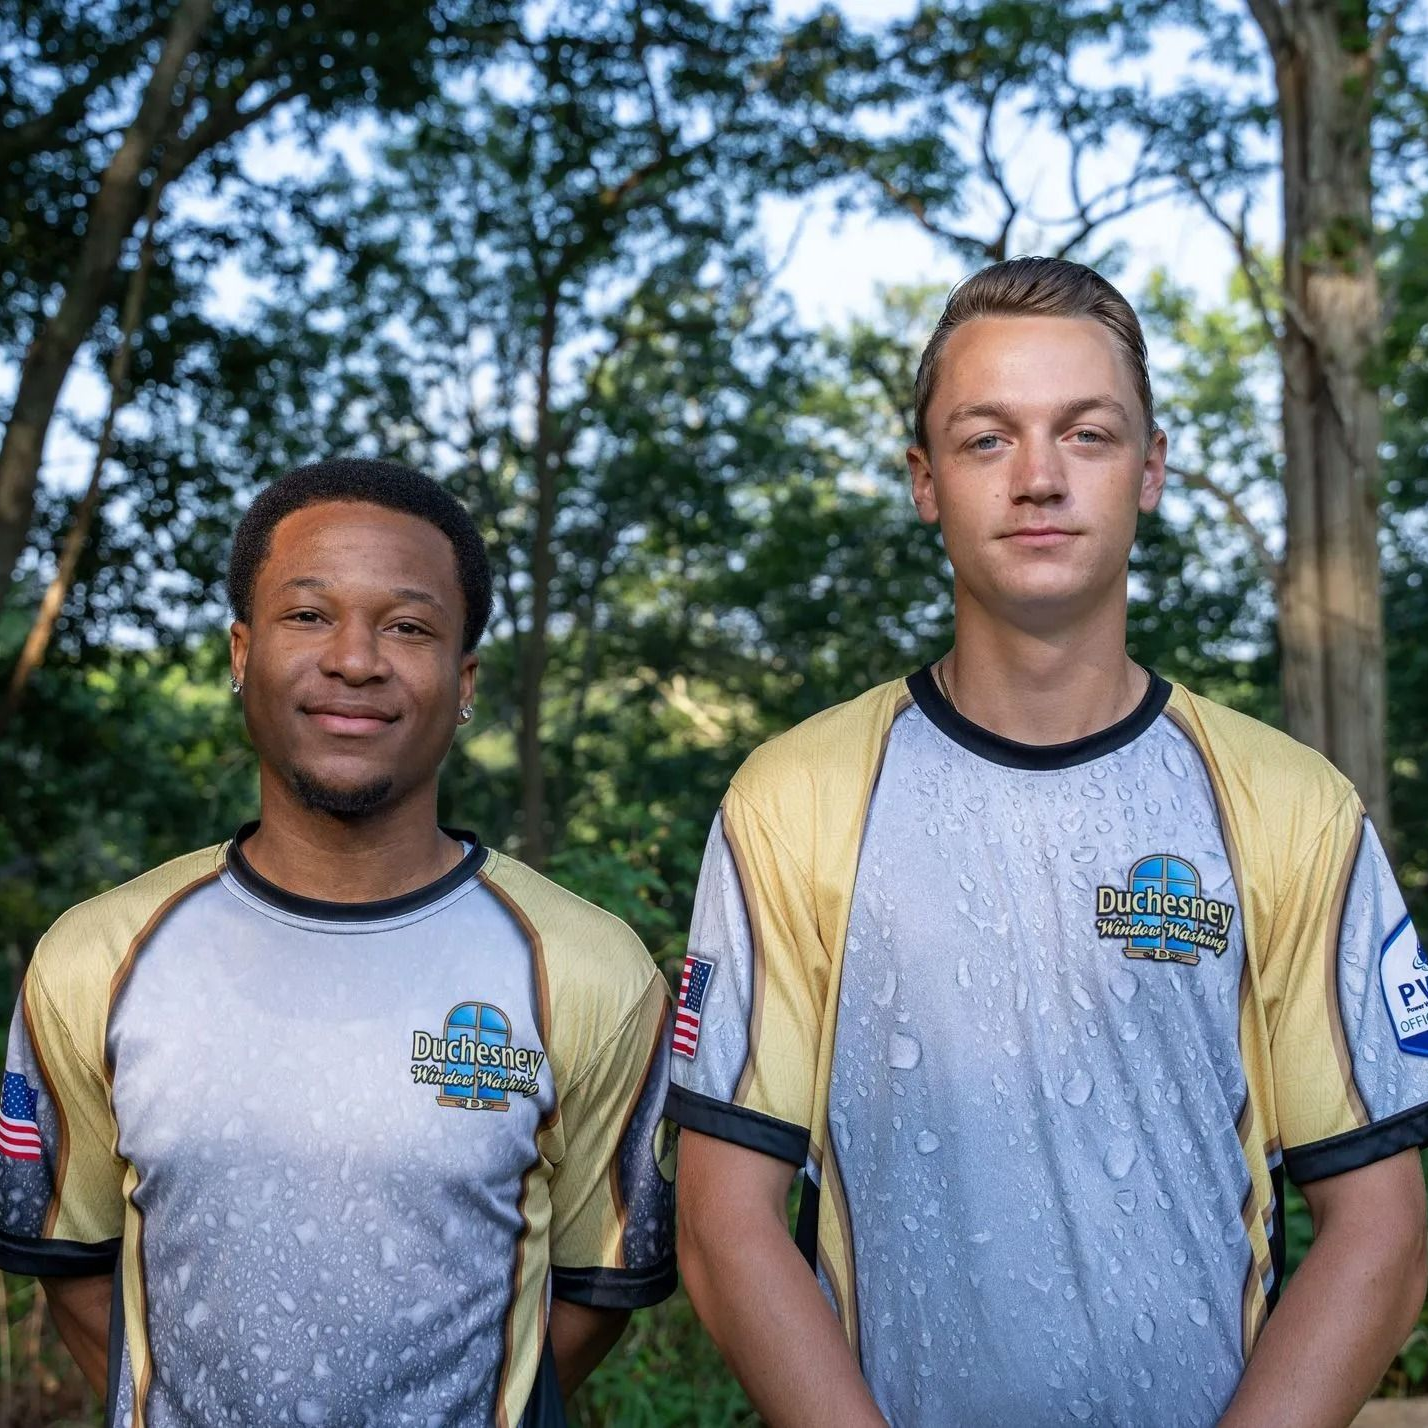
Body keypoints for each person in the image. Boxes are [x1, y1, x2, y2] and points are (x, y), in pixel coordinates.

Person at [667, 257, 1428, 1427]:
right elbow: (723, 1225)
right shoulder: (794, 799)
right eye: (986, 440)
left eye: (1086, 434)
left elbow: (1384, 1229)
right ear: (926, 480)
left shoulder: (1292, 807)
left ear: (1151, 470)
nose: (1037, 478)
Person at [0, 458, 676, 1427]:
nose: (356, 659)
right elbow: (70, 1267)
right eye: (309, 615)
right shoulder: (95, 959)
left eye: (407, 626)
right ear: (241, 651)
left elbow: (592, 1293)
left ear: (464, 676)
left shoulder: (589, 972)